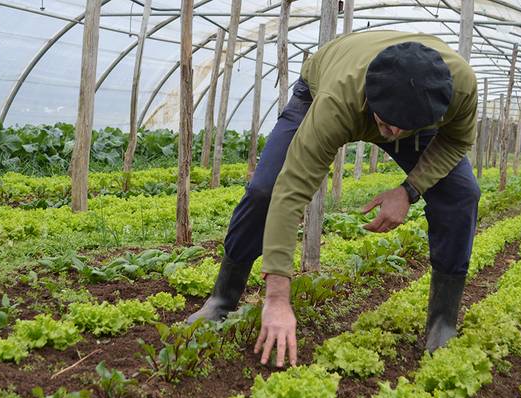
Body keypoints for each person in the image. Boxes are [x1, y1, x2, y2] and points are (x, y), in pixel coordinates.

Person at [187, 30, 480, 367]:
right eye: (387, 124)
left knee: (462, 196)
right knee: (265, 191)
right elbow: (292, 187)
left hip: (413, 114)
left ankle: (442, 325)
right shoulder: (338, 100)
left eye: (403, 128)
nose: (393, 134)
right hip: (321, 90)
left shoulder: (459, 89)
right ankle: (223, 298)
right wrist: (278, 297)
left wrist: (409, 190)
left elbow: (456, 142)